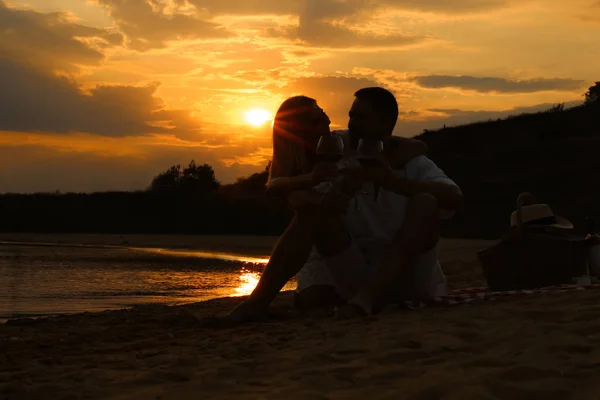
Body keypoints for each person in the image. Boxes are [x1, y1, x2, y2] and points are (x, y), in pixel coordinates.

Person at [224, 94, 428, 321]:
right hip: (315, 246)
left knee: (326, 296)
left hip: (339, 240)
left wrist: (380, 166)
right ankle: (259, 302)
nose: (327, 122)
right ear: (298, 131)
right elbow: (281, 190)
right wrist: (313, 181)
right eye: (316, 121)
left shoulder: (340, 142)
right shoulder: (299, 166)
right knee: (312, 299)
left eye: (323, 115)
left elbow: (416, 145)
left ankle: (257, 303)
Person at [295, 87, 463, 315]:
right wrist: (342, 188)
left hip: (411, 281)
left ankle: (370, 297)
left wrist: (392, 182)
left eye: (361, 117)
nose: (352, 123)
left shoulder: (413, 163)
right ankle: (259, 300)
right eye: (351, 116)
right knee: (319, 209)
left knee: (425, 201)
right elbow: (308, 208)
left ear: (386, 123)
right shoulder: (342, 159)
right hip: (357, 280)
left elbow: (454, 198)